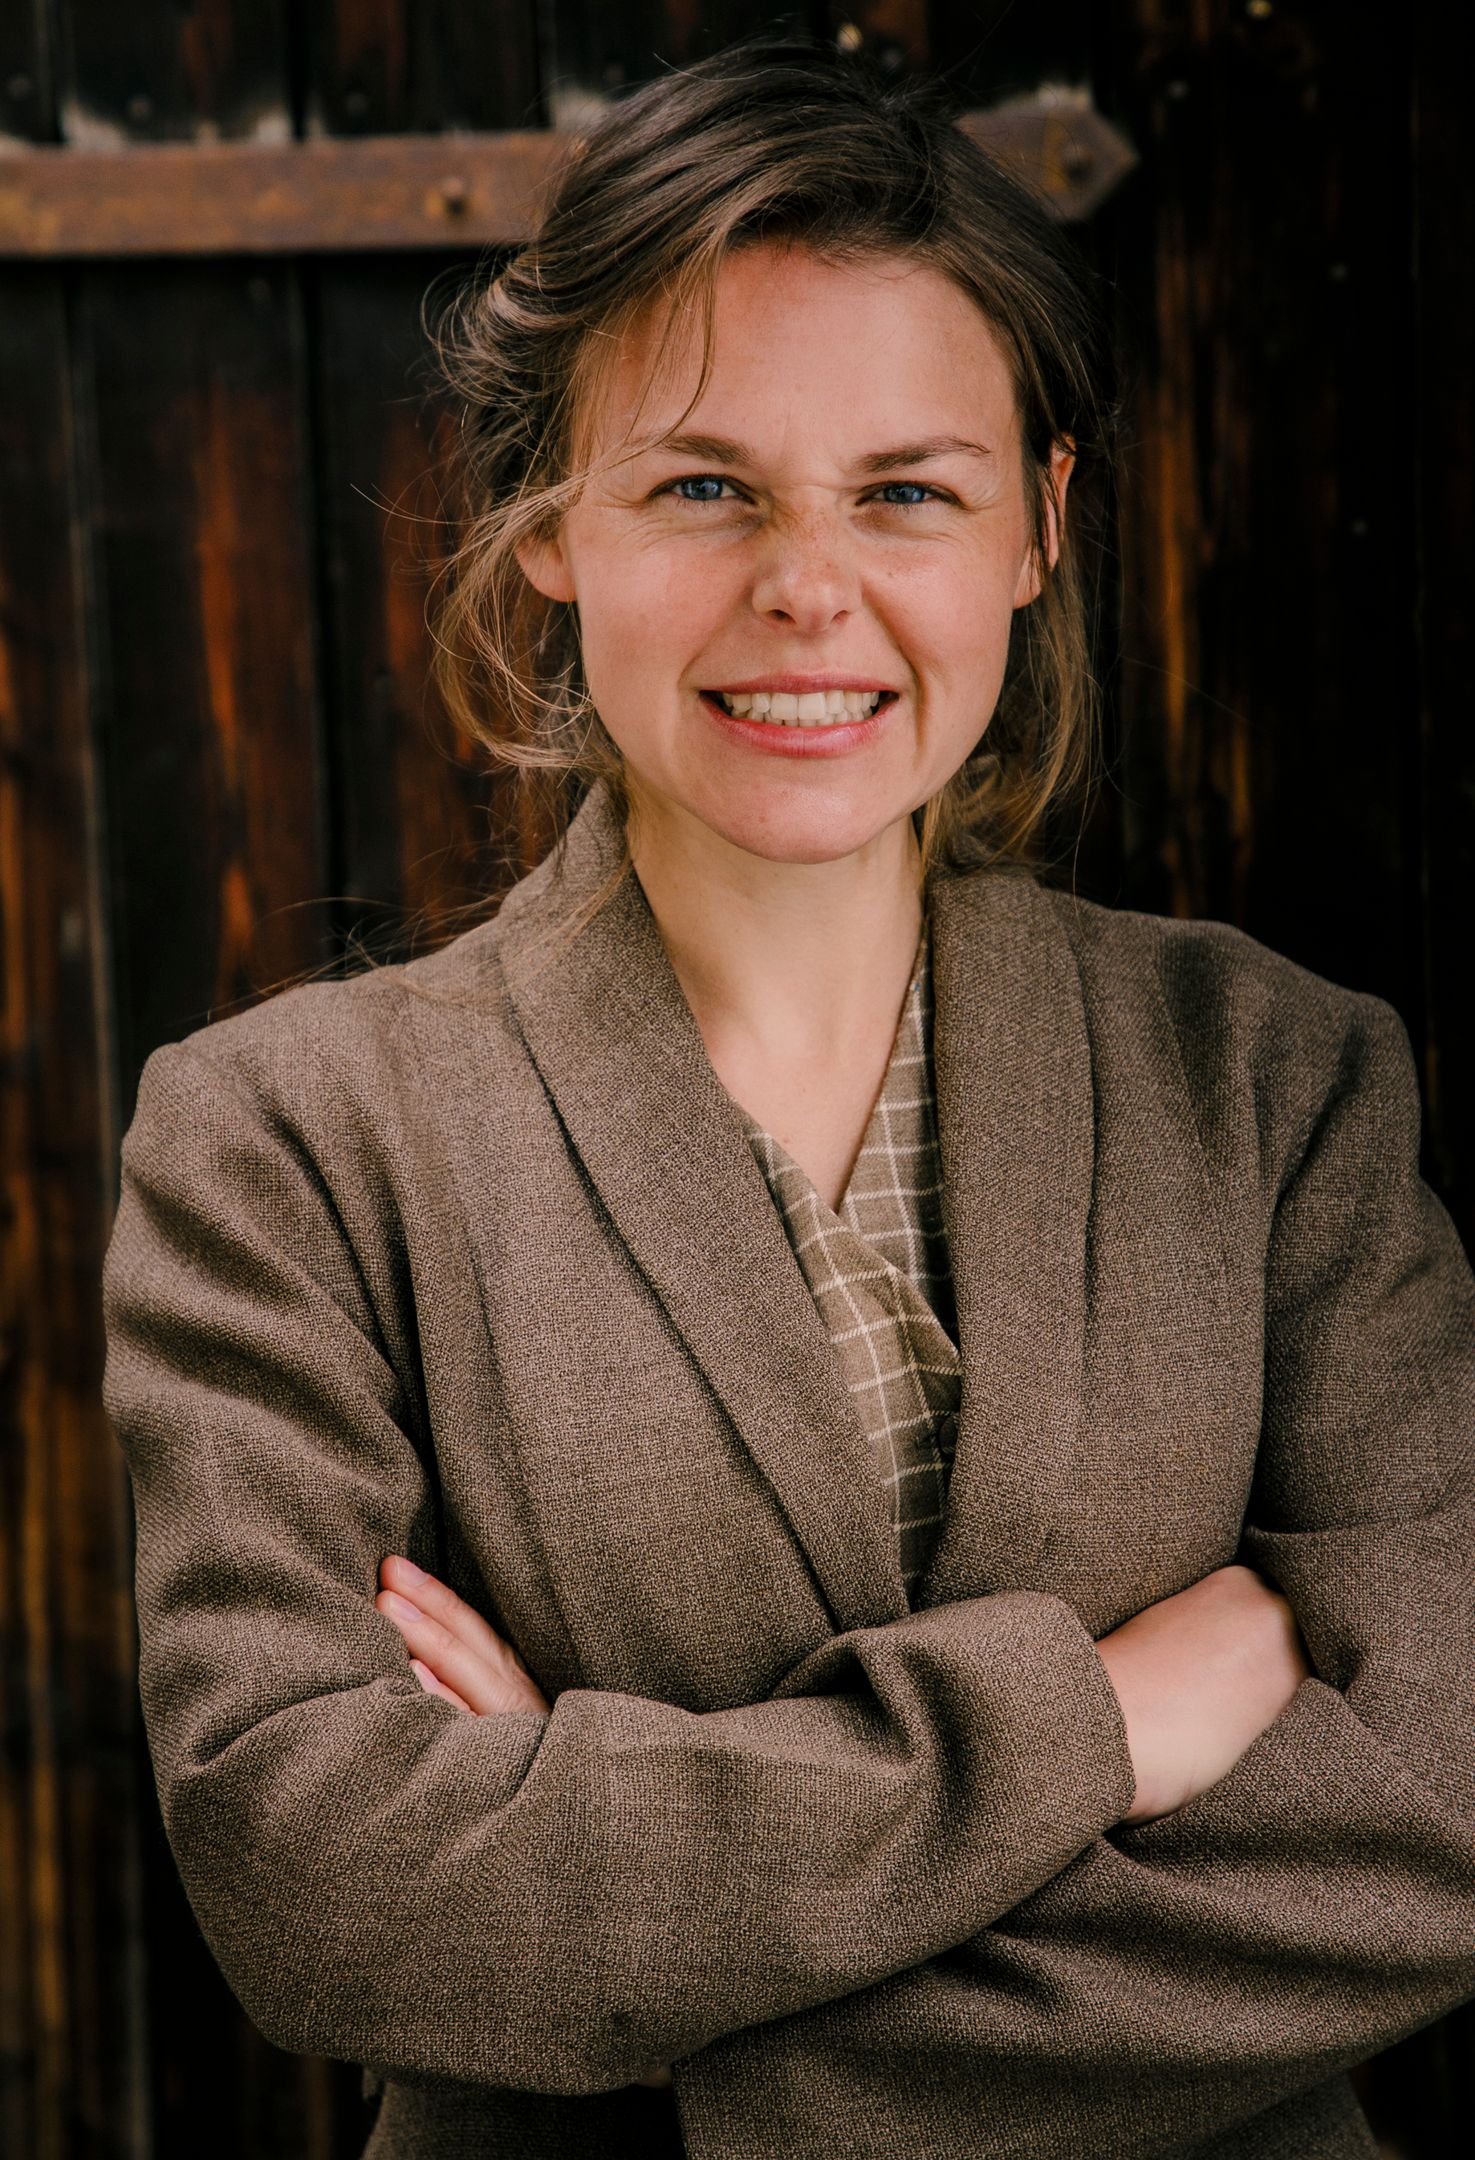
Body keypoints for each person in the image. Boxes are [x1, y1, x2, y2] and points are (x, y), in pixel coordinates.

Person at [101, 37, 1475, 2160]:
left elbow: (1442, 1810)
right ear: (549, 523)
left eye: (906, 490)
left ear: (1038, 527)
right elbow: (325, 1882)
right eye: (703, 487)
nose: (807, 587)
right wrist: (1106, 1721)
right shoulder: (290, 1146)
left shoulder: (1276, 1084)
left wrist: (647, 1985)